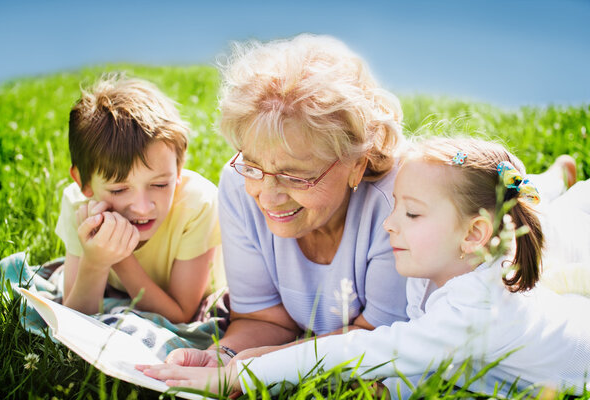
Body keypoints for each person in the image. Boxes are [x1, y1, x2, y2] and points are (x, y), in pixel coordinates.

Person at [138, 137, 590, 397]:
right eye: (395, 208)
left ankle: (555, 186)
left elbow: (364, 352)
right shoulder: (447, 265)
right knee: (536, 225)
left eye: (411, 214)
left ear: (472, 235)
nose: (389, 225)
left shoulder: (472, 310)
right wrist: (243, 355)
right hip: (548, 312)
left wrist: (241, 375)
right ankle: (551, 183)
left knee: (556, 234)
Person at [157, 34, 409, 366]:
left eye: (295, 175)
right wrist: (223, 357)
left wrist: (254, 368)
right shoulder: (237, 183)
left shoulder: (400, 205)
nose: (268, 196)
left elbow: (378, 341)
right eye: (253, 165)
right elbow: (264, 319)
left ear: (356, 165)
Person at [55, 75, 223, 323]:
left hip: (187, 303)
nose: (143, 207)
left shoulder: (197, 205)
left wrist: (119, 257)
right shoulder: (79, 206)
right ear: (84, 183)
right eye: (119, 190)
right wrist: (94, 263)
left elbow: (181, 315)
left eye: (159, 184)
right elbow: (75, 320)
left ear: (178, 168)